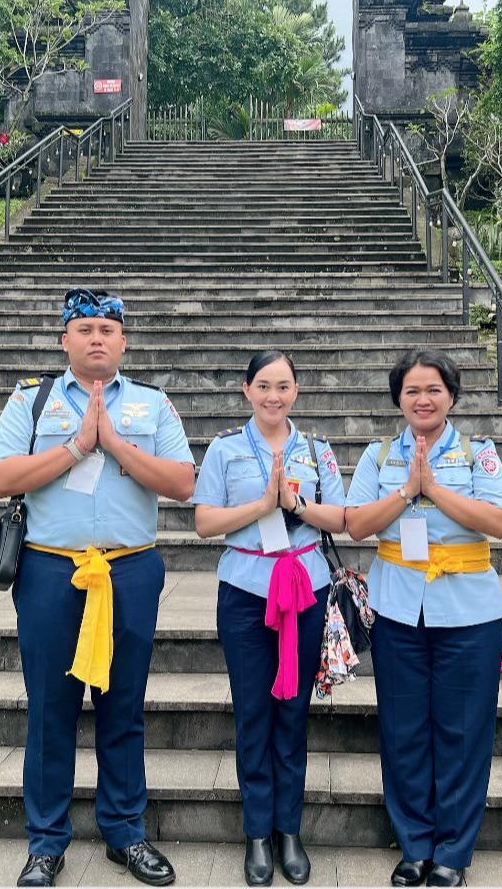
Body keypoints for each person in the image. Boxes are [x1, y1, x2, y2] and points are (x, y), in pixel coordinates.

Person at [0, 288, 196, 888]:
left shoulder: (152, 404)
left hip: (130, 569)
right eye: (84, 328)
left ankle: (125, 832)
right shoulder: (32, 400)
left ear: (124, 340)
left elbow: (183, 483)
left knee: (122, 709)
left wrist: (114, 444)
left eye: (107, 328)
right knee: (50, 710)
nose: (97, 337)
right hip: (51, 571)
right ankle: (46, 841)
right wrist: (77, 445)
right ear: (64, 339)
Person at [344, 349, 502, 889]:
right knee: (403, 728)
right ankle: (414, 844)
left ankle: (453, 851)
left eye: (434, 389)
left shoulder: (478, 455)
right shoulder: (377, 456)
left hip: (469, 610)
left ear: (452, 397)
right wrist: (405, 490)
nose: (423, 399)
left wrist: (435, 488)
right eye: (413, 390)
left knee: (463, 732)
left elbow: (500, 522)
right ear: (399, 398)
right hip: (397, 607)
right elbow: (356, 524)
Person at [192, 350, 347, 887]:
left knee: (293, 712)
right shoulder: (226, 449)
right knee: (254, 710)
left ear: (296, 391)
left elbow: (342, 518)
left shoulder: (318, 451)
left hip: (305, 589)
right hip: (245, 590)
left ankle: (289, 830)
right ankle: (258, 832)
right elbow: (204, 522)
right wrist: (261, 505)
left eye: (283, 386)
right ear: (246, 390)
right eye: (263, 385)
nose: (273, 395)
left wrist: (296, 504)